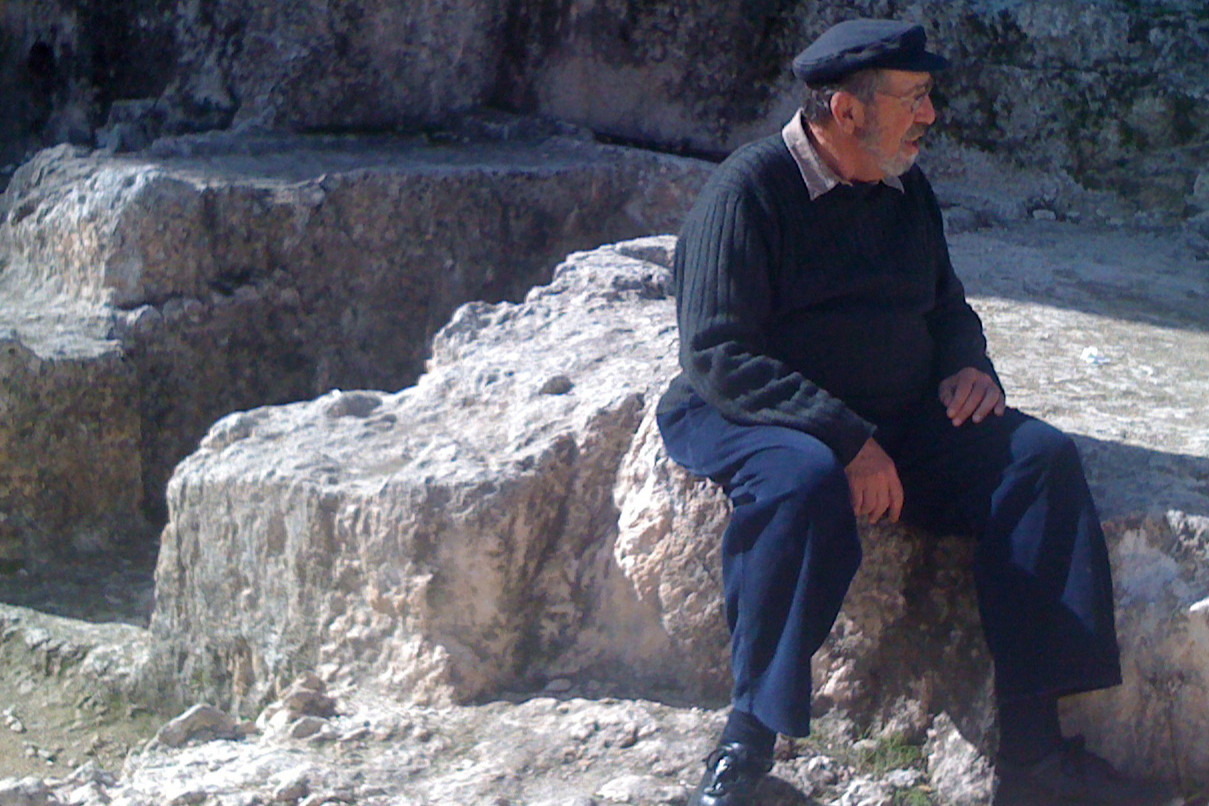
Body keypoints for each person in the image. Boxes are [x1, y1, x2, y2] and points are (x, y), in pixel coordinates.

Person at [657, 17, 1177, 806]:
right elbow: (720, 352)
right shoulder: (749, 191)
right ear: (847, 112)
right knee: (801, 482)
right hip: (754, 411)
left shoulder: (905, 189)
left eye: (928, 96)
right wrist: (845, 440)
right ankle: (745, 747)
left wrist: (969, 365)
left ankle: (1034, 758)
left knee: (1037, 461)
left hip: (893, 416)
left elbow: (946, 307)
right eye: (915, 98)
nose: (930, 115)